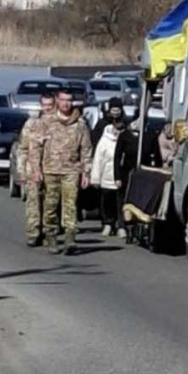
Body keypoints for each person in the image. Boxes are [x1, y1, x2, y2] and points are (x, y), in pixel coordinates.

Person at [30, 89, 93, 255]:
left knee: (70, 204)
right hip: (50, 169)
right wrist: (36, 169)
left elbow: (86, 149)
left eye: (69, 100)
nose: (66, 104)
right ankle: (50, 235)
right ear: (57, 101)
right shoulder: (46, 121)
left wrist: (86, 172)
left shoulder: (80, 124)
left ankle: (70, 237)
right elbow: (36, 147)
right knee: (50, 205)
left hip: (71, 170)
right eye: (63, 100)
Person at [20, 92, 55, 247]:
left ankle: (49, 232)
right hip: (32, 169)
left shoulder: (58, 124)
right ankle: (33, 232)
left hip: (51, 168)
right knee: (33, 201)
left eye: (50, 105)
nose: (47, 108)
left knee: (50, 203)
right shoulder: (32, 124)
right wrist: (22, 170)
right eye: (45, 105)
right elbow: (23, 148)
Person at [90, 115, 126, 238]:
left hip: (120, 178)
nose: (117, 131)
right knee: (107, 203)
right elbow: (98, 160)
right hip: (106, 177)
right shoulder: (104, 141)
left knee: (120, 203)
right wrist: (95, 178)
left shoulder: (126, 139)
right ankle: (108, 223)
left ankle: (121, 226)